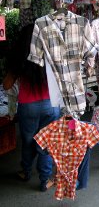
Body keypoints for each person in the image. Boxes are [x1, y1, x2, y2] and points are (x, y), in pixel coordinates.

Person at [3, 24, 60, 192]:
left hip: (28, 107)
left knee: (28, 141)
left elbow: (6, 85)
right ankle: (44, 180)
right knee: (45, 142)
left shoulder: (20, 58)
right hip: (51, 105)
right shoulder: (52, 56)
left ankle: (26, 172)